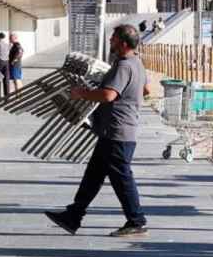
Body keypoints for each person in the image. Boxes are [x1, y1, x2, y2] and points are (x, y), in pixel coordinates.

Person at [45, 24, 150, 237]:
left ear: (122, 43)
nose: (110, 41)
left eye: (113, 38)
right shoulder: (136, 63)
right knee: (93, 176)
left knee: (122, 178)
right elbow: (146, 90)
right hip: (115, 131)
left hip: (117, 131)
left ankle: (137, 221)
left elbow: (108, 95)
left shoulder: (123, 66)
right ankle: (73, 215)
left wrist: (81, 93)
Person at [0, 32, 11, 97]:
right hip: (6, 62)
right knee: (6, 79)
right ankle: (7, 96)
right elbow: (8, 53)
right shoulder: (7, 45)